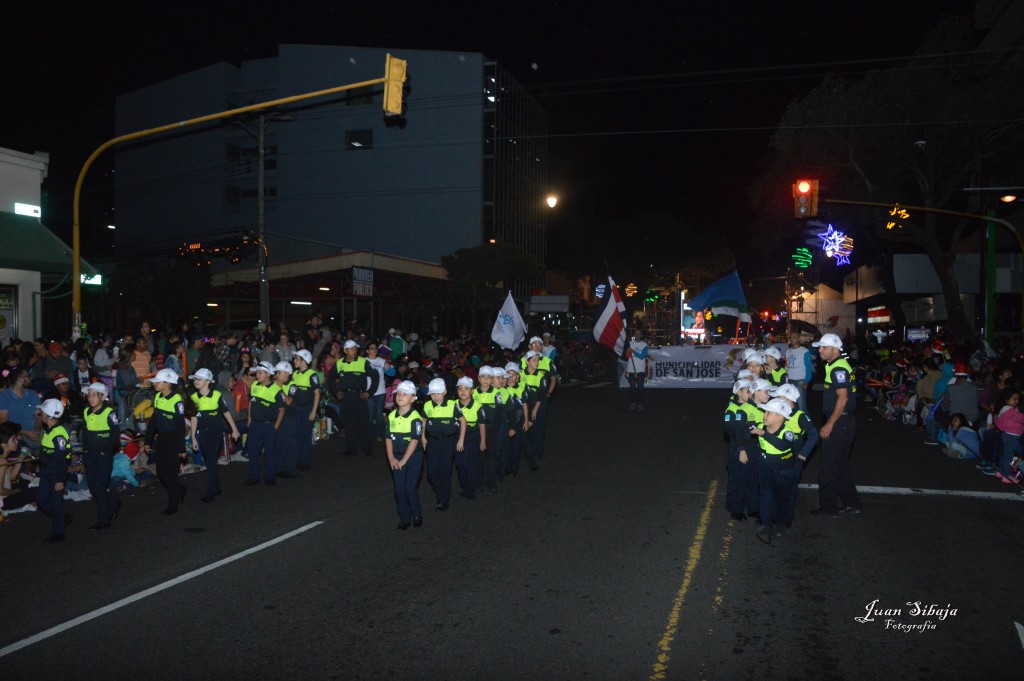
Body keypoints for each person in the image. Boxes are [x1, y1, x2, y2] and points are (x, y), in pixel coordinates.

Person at [810, 333, 862, 516]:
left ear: (835, 349)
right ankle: (852, 503)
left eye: (823, 347)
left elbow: (843, 398)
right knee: (840, 465)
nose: (820, 350)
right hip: (844, 421)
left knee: (828, 466)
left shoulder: (837, 367)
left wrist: (830, 424)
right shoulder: (835, 365)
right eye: (820, 347)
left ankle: (829, 507)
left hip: (840, 421)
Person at [751, 398, 806, 544]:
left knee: (782, 499)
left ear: (780, 417)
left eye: (769, 412)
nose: (764, 414)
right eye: (765, 411)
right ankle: (766, 526)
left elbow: (782, 445)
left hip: (784, 471)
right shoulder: (761, 425)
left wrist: (764, 434)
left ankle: (782, 522)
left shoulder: (787, 432)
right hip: (765, 468)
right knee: (766, 496)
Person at [770, 383, 819, 527]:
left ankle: (786, 518)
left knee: (790, 489)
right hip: (778, 455)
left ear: (787, 399)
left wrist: (804, 454)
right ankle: (775, 514)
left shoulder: (800, 416)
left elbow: (813, 435)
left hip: (794, 456)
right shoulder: (778, 412)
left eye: (779, 397)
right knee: (775, 486)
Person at [188, 368, 240, 503]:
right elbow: (194, 418)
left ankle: (210, 492)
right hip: (203, 432)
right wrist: (193, 437)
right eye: (195, 379)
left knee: (210, 461)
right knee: (209, 461)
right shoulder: (194, 397)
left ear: (207, 381)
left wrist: (234, 429)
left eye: (199, 379)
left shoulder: (217, 395)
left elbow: (226, 413)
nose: (196, 381)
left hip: (215, 431)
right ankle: (216, 487)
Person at [145, 368, 189, 515]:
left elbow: (180, 427)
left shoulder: (177, 401)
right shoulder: (157, 397)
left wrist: (181, 448)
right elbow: (154, 420)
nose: (155, 384)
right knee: (161, 473)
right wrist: (147, 440)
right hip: (162, 439)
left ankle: (173, 504)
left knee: (170, 474)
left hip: (173, 440)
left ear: (167, 383)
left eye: (158, 382)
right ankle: (180, 490)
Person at [82, 382, 123, 530]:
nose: (90, 398)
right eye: (89, 395)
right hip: (90, 455)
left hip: (103, 456)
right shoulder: (86, 411)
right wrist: (85, 450)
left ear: (102, 396)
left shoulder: (109, 413)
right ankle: (113, 503)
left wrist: (106, 451)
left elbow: (115, 434)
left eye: (94, 395)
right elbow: (86, 432)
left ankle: (104, 521)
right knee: (93, 487)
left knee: (99, 487)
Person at [328, 340, 378, 457]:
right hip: (346, 397)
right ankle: (351, 449)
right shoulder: (340, 363)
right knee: (349, 423)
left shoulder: (362, 362)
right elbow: (330, 378)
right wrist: (336, 392)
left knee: (363, 423)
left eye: (355, 348)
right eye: (352, 349)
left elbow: (375, 376)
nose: (354, 351)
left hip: (359, 396)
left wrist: (369, 392)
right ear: (345, 350)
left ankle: (367, 448)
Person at [386, 380, 425, 530]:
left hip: (413, 457)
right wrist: (391, 458)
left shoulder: (415, 418)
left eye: (405, 394)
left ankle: (416, 514)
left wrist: (403, 460)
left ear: (413, 398)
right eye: (399, 393)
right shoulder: (391, 416)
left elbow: (415, 440)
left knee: (410, 488)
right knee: (399, 489)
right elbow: (388, 438)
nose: (400, 396)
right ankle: (404, 517)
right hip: (396, 456)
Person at [422, 377, 464, 511]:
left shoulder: (452, 405)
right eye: (433, 393)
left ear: (445, 392)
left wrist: (461, 439)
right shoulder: (427, 405)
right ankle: (439, 491)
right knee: (431, 473)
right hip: (433, 441)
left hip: (448, 442)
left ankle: (443, 500)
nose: (435, 396)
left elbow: (463, 421)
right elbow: (423, 420)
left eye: (438, 393)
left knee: (444, 471)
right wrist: (423, 437)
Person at [36, 399, 73, 541]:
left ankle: (58, 533)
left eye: (42, 412)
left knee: (55, 503)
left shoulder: (58, 434)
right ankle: (62, 519)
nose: (40, 414)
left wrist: (59, 480)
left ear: (46, 415)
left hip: (55, 473)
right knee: (41, 500)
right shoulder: (49, 430)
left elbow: (61, 460)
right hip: (46, 471)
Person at [724, 379, 760, 522]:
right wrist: (741, 448)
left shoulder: (752, 406)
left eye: (751, 391)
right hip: (739, 447)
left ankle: (753, 507)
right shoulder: (732, 409)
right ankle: (736, 509)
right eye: (746, 391)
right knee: (740, 479)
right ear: (738, 392)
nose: (750, 394)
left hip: (753, 446)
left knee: (753, 478)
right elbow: (731, 430)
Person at [245, 361, 286, 486]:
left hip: (269, 425)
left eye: (260, 373)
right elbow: (251, 402)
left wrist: (275, 426)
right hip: (255, 424)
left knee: (270, 452)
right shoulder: (254, 386)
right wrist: (249, 418)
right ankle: (254, 477)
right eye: (256, 372)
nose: (257, 375)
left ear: (268, 374)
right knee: (253, 451)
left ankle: (270, 477)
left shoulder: (276, 390)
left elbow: (282, 410)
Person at [454, 376, 484, 500]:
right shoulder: (454, 405)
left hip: (473, 436)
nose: (463, 391)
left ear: (472, 390)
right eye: (460, 389)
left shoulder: (477, 405)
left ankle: (471, 489)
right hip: (458, 437)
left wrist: (483, 441)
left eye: (466, 388)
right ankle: (464, 486)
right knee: (460, 464)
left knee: (470, 463)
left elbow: (482, 424)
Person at [290, 349, 321, 471]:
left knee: (305, 435)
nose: (295, 361)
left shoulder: (312, 375)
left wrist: (313, 411)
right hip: (296, 409)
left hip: (307, 408)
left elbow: (317, 393)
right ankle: (297, 460)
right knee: (297, 434)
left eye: (297, 359)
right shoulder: (295, 374)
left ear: (304, 361)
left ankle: (305, 462)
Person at [0, 367, 42, 454]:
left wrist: (36, 431)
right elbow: (4, 423)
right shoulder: (4, 397)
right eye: (27, 376)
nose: (30, 378)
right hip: (17, 434)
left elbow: (39, 416)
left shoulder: (32, 394)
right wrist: (25, 433)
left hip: (36, 431)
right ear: (20, 379)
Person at [473, 366, 500, 495]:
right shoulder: (473, 393)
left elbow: (500, 412)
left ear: (492, 379)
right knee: (478, 457)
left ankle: (491, 483)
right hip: (477, 430)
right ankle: (478, 482)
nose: (485, 380)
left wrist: (495, 427)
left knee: (491, 457)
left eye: (488, 377)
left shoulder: (496, 393)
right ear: (478, 378)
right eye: (483, 377)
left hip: (491, 430)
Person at [522, 351, 550, 464]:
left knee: (538, 429)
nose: (537, 363)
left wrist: (535, 409)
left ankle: (538, 452)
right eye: (534, 360)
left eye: (538, 360)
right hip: (525, 407)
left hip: (538, 407)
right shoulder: (520, 375)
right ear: (527, 362)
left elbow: (542, 394)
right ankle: (529, 452)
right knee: (527, 431)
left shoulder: (541, 377)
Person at [273, 361, 299, 479]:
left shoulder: (293, 385)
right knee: (279, 443)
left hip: (289, 418)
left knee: (289, 444)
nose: (277, 374)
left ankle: (291, 469)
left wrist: (279, 388)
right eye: (277, 372)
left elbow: (288, 401)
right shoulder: (275, 383)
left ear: (286, 373)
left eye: (279, 372)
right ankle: (280, 467)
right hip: (278, 417)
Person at [365, 341, 390, 443]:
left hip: (380, 391)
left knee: (379, 415)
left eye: (375, 348)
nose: (374, 350)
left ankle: (379, 434)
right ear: (367, 351)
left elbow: (387, 366)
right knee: (370, 415)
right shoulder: (363, 361)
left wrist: (388, 366)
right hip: (369, 392)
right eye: (371, 348)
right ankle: (369, 434)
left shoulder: (380, 360)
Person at [785, 333, 813, 413]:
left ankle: (807, 424)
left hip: (800, 381)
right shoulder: (788, 351)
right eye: (790, 337)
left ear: (799, 338)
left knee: (801, 407)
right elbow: (787, 365)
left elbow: (808, 367)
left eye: (794, 337)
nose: (792, 339)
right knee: (791, 406)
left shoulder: (804, 351)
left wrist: (806, 381)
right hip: (790, 381)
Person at [625, 333, 649, 411]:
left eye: (639, 334)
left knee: (640, 387)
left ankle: (640, 403)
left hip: (640, 369)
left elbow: (642, 356)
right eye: (636, 334)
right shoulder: (630, 343)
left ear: (641, 336)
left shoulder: (644, 344)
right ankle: (633, 403)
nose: (637, 335)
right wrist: (628, 351)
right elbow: (626, 356)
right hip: (631, 369)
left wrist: (633, 351)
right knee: (632, 388)